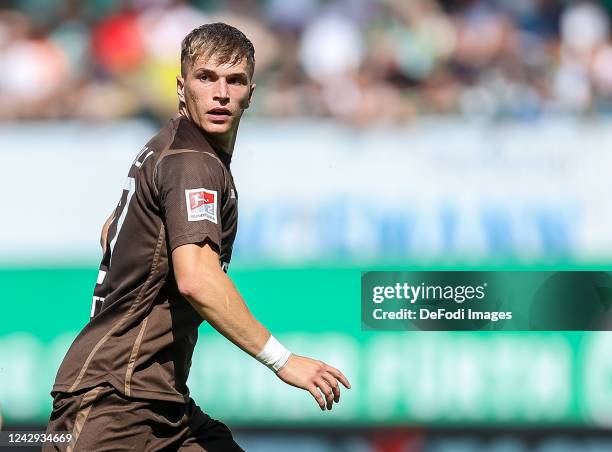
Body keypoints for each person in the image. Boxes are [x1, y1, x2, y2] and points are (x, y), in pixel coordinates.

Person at [44, 22, 350, 452]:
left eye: (235, 80)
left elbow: (110, 231)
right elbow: (197, 278)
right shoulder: (194, 164)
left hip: (159, 403)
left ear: (251, 92)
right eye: (206, 77)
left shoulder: (169, 148)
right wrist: (284, 362)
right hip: (116, 403)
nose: (220, 92)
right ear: (181, 87)